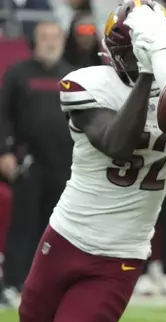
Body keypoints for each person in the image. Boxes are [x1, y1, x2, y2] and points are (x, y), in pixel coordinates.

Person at [8, 1, 166, 322]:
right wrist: (150, 75)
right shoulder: (87, 84)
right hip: (64, 239)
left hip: (120, 255)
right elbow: (116, 143)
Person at [0, 20, 74, 294]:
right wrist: (3, 152)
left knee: (57, 228)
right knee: (24, 223)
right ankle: (14, 280)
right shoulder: (18, 74)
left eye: (55, 37)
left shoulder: (72, 75)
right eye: (45, 37)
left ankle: (50, 282)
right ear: (35, 40)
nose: (50, 42)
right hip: (28, 161)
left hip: (65, 163)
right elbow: (3, 115)